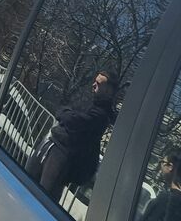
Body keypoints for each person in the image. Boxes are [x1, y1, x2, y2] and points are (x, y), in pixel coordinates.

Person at [26, 70, 121, 201]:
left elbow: (73, 121)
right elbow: (64, 110)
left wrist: (67, 115)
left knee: (43, 200)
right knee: (23, 183)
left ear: (108, 91)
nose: (93, 85)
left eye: (98, 84)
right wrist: (67, 114)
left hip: (61, 157)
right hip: (49, 145)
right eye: (94, 81)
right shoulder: (88, 102)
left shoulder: (102, 115)